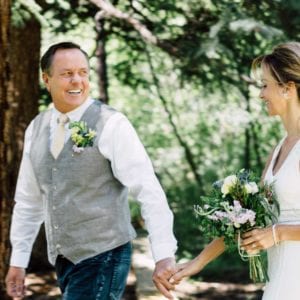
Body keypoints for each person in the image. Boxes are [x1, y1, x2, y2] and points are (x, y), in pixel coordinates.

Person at [5, 42, 178, 300]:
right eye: (66, 73)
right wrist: (18, 261)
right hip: (63, 260)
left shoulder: (112, 124)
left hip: (104, 254)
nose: (77, 80)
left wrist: (163, 254)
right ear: (46, 79)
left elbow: (147, 189)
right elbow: (29, 201)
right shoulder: (36, 128)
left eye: (83, 72)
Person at [170, 42, 300, 300]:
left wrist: (278, 233)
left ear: (287, 89)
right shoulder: (279, 150)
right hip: (280, 279)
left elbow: (272, 229)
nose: (261, 94)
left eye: (265, 85)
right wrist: (198, 262)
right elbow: (252, 218)